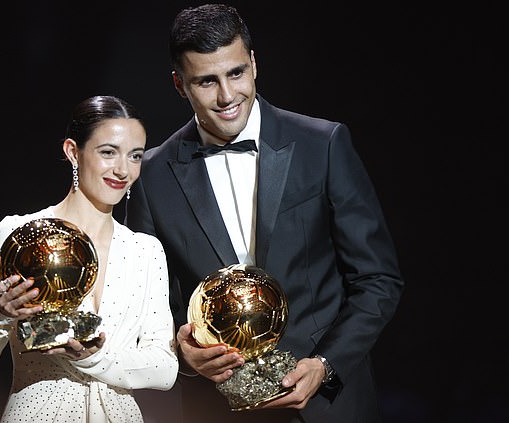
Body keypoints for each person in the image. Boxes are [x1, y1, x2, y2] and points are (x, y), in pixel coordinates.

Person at [125, 4, 404, 423]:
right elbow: (148, 310)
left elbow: (378, 280)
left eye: (236, 73)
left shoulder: (323, 144)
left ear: (254, 63)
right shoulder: (151, 176)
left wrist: (324, 365)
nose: (226, 96)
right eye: (206, 81)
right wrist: (184, 356)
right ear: (180, 85)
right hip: (218, 409)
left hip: (330, 406)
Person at [0, 95, 178, 423]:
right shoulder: (18, 234)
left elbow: (165, 369)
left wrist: (96, 357)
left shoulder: (145, 251)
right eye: (108, 152)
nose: (122, 169)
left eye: (134, 156)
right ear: (72, 152)